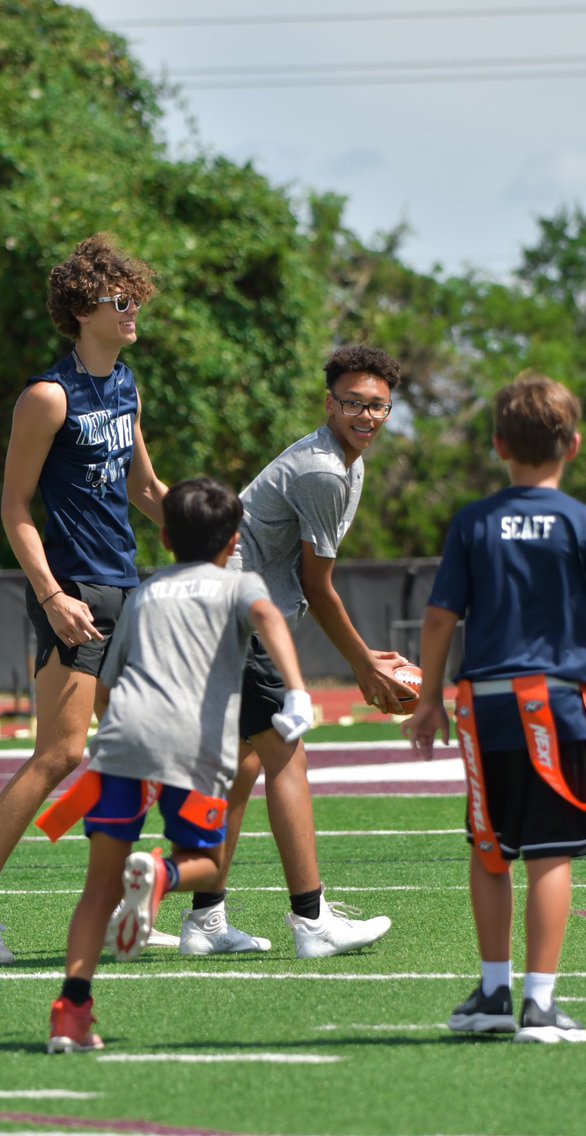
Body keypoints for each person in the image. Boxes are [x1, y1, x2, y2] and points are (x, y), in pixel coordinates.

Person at [0, 233, 170, 965]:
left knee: (155, 749)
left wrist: (217, 541)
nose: (133, 309)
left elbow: (145, 490)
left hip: (126, 587)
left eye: (136, 297)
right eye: (119, 299)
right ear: (82, 308)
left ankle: (128, 903)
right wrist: (54, 594)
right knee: (62, 750)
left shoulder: (126, 384)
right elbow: (14, 508)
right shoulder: (47, 396)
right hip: (74, 593)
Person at [403, 372, 586, 1044]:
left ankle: (491, 992)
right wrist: (572, 621)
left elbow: (441, 617)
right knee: (551, 853)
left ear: (499, 443)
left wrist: (427, 702)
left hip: (486, 703)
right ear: (575, 445)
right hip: (556, 702)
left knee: (490, 849)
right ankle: (540, 1003)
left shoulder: (474, 522)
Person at [38, 477, 313, 1052]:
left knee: (97, 890)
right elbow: (270, 618)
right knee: (207, 867)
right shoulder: (239, 584)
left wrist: (121, 738)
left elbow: (108, 686)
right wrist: (297, 690)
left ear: (164, 538)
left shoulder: (143, 593)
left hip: (122, 746)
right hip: (192, 753)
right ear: (234, 541)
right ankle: (161, 876)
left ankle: (71, 1013)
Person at [173, 345, 404, 958]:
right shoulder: (324, 469)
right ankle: (313, 920)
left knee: (244, 766)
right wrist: (363, 663)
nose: (366, 414)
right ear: (329, 404)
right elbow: (316, 583)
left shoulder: (345, 462)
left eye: (378, 405)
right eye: (353, 402)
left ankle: (204, 920)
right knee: (286, 757)